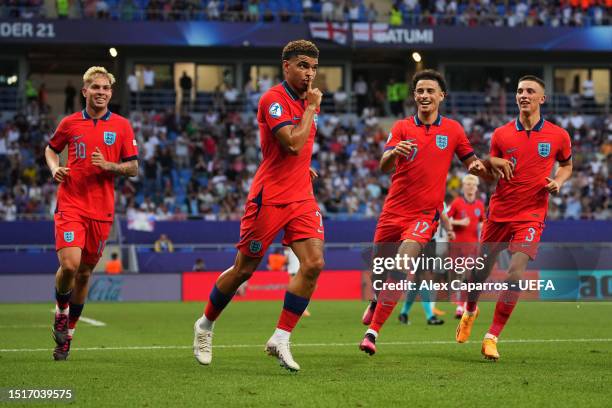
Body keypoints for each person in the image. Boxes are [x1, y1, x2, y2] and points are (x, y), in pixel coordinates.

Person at [193, 40, 324, 372]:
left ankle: (280, 337)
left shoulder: (308, 101)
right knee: (244, 270)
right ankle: (205, 326)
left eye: (313, 67)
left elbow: (300, 149)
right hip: (269, 198)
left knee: (313, 264)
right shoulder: (273, 100)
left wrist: (302, 168)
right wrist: (310, 109)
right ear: (286, 66)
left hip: (302, 196)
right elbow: (292, 143)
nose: (309, 73)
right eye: (303, 66)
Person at [359, 69, 488, 356]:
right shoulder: (403, 127)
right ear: (414, 96)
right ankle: (376, 298)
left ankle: (372, 333)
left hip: (424, 214)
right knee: (379, 270)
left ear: (441, 95)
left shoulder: (453, 129)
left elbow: (471, 161)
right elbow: (383, 165)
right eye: (420, 91)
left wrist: (485, 166)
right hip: (393, 210)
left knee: (403, 263)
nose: (425, 95)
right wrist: (393, 153)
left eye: (430, 91)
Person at [456, 75, 572, 361]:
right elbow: (489, 166)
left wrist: (559, 181)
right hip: (500, 212)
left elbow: (567, 165)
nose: (524, 95)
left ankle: (492, 336)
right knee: (479, 273)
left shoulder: (558, 135)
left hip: (531, 214)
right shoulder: (501, 134)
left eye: (530, 91)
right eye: (520, 91)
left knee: (515, 273)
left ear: (541, 99)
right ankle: (470, 309)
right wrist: (492, 163)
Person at [46, 66, 139, 360]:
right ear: (85, 91)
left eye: (106, 88)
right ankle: (61, 311)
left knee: (85, 274)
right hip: (71, 203)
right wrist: (54, 168)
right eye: (95, 87)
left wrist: (110, 166)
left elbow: (133, 167)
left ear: (111, 93)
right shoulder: (70, 123)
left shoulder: (122, 126)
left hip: (101, 211)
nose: (101, 92)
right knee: (71, 265)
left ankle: (67, 338)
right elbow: (51, 149)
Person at [447, 174, 484, 318]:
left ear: (476, 187)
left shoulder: (479, 205)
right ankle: (461, 304)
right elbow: (446, 219)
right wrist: (459, 223)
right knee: (459, 275)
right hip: (457, 245)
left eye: (473, 185)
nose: (471, 187)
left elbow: (482, 222)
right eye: (468, 184)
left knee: (468, 276)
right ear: (463, 186)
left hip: (473, 246)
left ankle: (461, 306)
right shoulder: (457, 203)